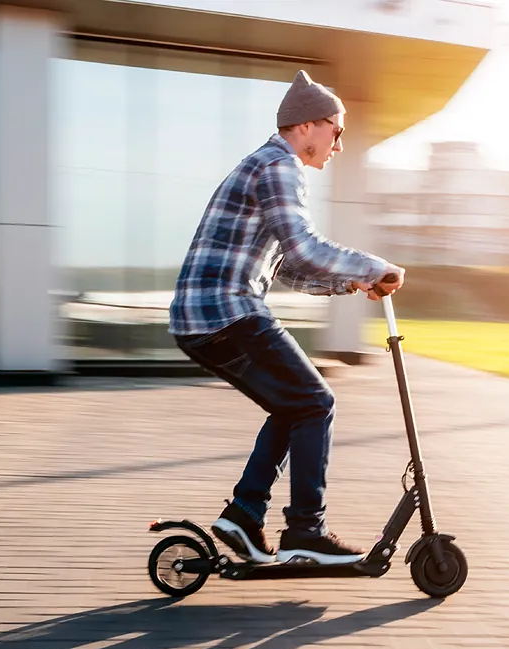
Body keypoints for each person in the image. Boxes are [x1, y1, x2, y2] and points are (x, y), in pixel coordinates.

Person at [168, 69, 404, 566]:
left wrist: (351, 282)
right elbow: (306, 246)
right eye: (337, 132)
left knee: (296, 405)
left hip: (204, 319)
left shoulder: (265, 165)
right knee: (316, 402)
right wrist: (375, 266)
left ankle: (244, 515)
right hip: (225, 312)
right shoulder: (279, 166)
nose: (339, 146)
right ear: (309, 125)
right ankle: (305, 533)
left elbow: (291, 269)